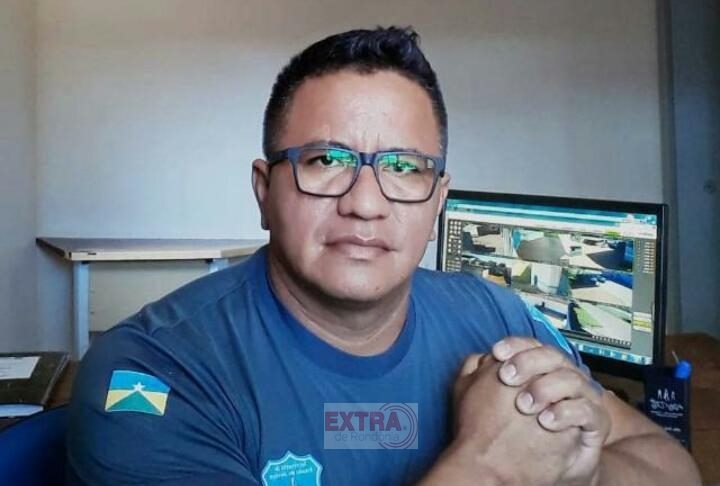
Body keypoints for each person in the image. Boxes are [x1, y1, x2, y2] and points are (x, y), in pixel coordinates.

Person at [66, 27, 700, 486]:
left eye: (404, 167)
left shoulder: (495, 316)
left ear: (439, 200)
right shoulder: (153, 372)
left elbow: (666, 462)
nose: (365, 203)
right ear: (264, 192)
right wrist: (491, 469)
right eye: (325, 160)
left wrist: (580, 473)